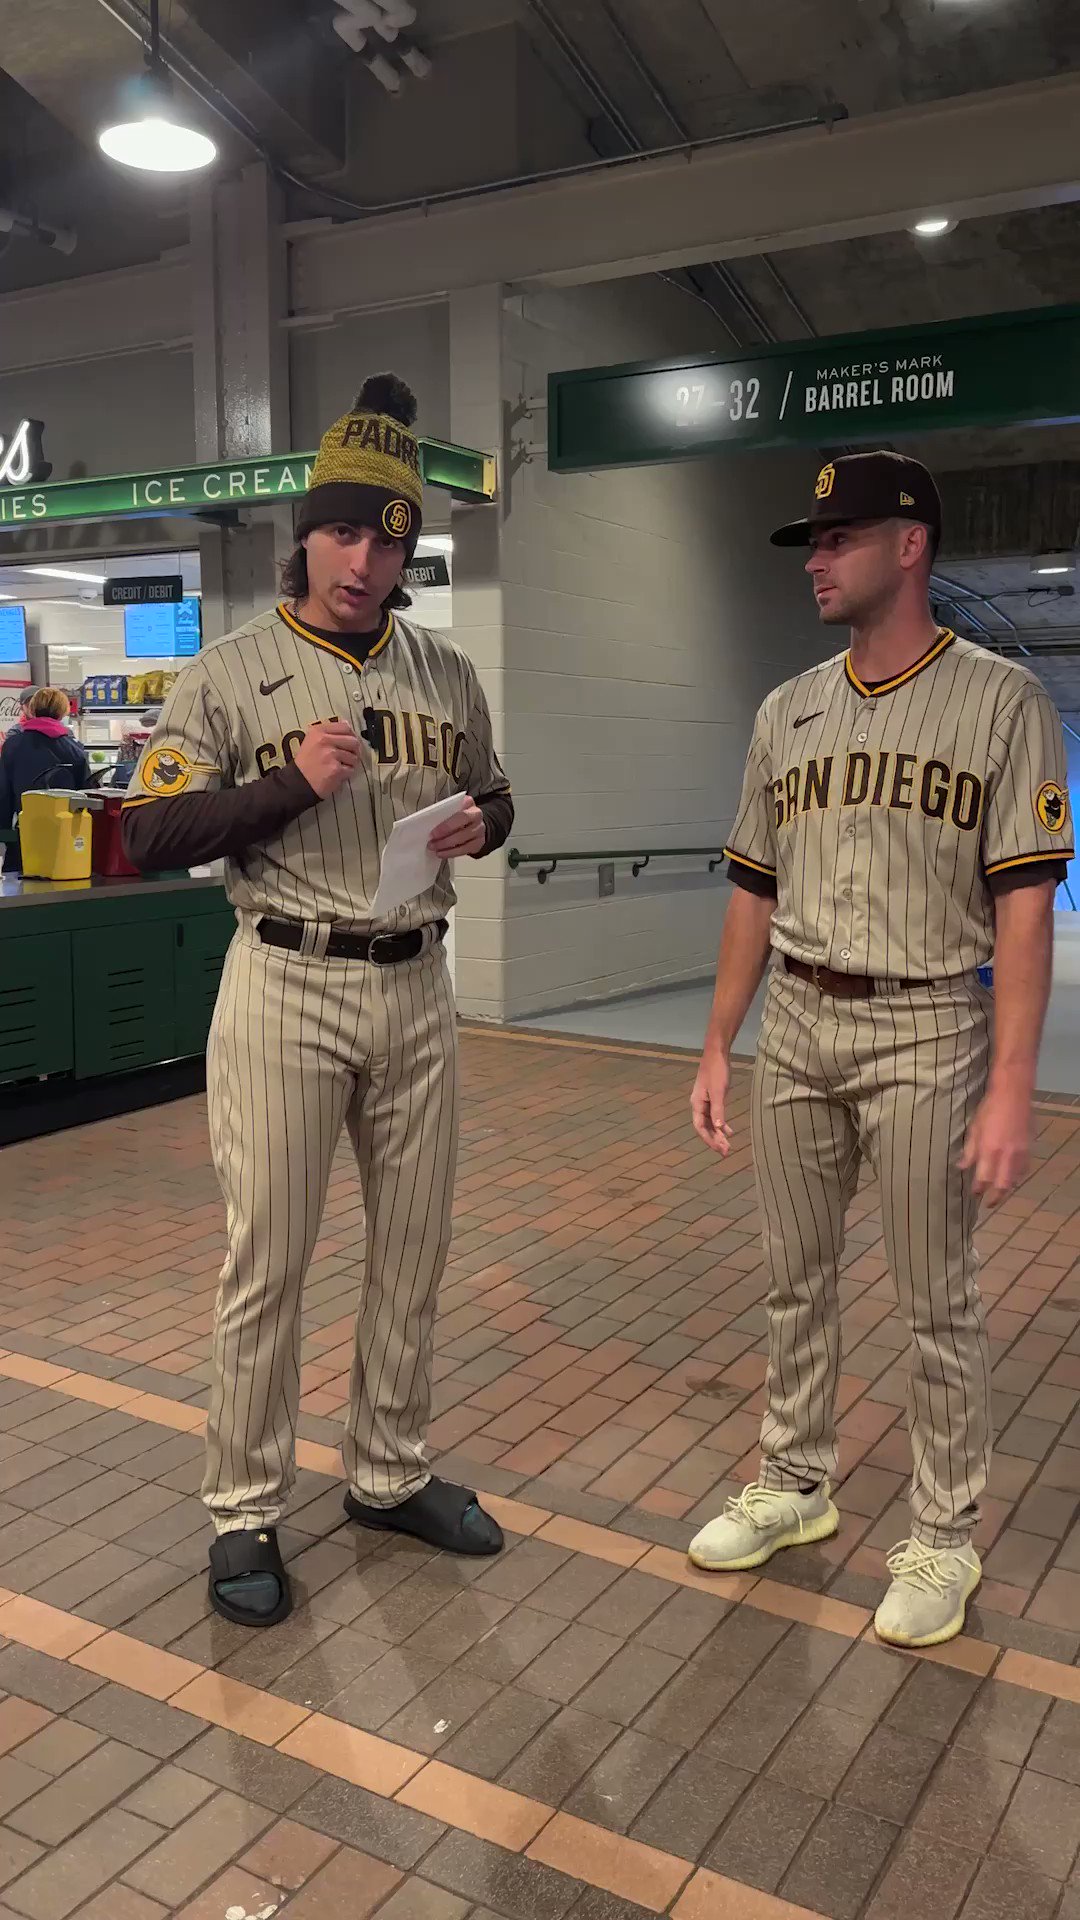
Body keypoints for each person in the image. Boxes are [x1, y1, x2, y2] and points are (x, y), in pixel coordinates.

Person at [123, 372, 513, 1627]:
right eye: (344, 529)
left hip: (414, 984)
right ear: (306, 533)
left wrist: (479, 827)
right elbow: (149, 827)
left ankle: (389, 1472)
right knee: (269, 1263)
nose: (364, 557)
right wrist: (288, 784)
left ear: (410, 546)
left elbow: (501, 796)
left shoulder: (445, 672)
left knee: (413, 1251)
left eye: (389, 534)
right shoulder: (235, 670)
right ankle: (244, 1509)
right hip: (285, 980)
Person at [688, 450, 1073, 1648]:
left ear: (909, 545)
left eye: (836, 538)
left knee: (933, 1300)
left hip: (926, 1023)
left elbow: (1023, 906)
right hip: (799, 1020)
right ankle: (795, 1483)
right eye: (812, 541)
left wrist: (1014, 1081)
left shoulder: (1002, 702)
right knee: (792, 1278)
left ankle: (944, 1535)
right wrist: (717, 1044)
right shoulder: (785, 710)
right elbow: (753, 889)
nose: (816, 558)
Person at [0, 687, 90, 870]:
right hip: (66, 836)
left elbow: (3, 792)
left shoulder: (13, 745)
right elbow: (86, 795)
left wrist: (4, 832)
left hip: (25, 833)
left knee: (18, 888)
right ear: (63, 711)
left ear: (31, 709)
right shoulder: (74, 749)